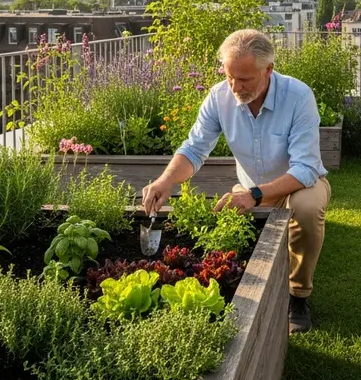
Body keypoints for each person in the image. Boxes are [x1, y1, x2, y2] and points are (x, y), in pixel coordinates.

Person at [141, 29, 331, 334]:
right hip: (250, 191)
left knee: (306, 209)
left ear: (268, 70)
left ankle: (298, 296)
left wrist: (255, 194)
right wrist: (166, 181)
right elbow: (194, 149)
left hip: (299, 186)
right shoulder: (219, 97)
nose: (235, 87)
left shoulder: (298, 96)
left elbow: (306, 168)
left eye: (244, 80)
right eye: (230, 77)